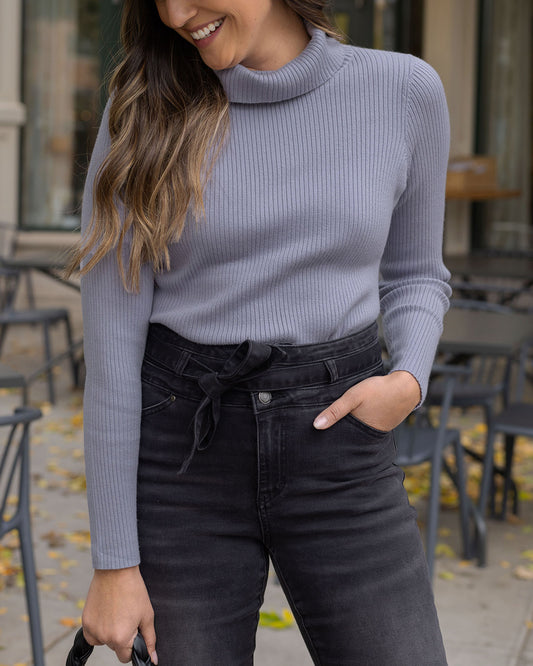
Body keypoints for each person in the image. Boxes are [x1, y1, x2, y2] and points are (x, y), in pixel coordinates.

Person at [75, 1, 451, 664]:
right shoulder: (142, 112)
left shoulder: (403, 91)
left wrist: (407, 379)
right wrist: (113, 564)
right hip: (181, 461)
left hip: (342, 450)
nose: (175, 13)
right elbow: (111, 354)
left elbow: (416, 272)